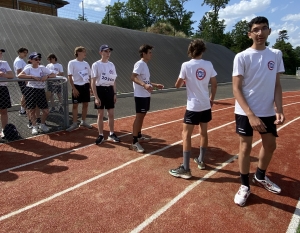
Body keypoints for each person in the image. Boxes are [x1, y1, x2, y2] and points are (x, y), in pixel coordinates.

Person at [232, 16, 285, 207]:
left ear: (269, 31)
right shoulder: (242, 57)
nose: (260, 32)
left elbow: (277, 85)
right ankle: (245, 186)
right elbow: (236, 88)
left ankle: (260, 176)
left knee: (270, 146)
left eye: (263, 28)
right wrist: (250, 114)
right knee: (245, 148)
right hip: (246, 111)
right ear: (249, 34)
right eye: (256, 29)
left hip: (267, 110)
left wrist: (279, 108)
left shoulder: (276, 54)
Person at [168, 39, 217, 179]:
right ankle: (201, 160)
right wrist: (212, 98)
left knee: (186, 135)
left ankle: (186, 168)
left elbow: (177, 85)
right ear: (203, 50)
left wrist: (184, 81)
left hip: (193, 106)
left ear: (190, 50)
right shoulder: (208, 64)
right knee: (204, 132)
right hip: (205, 105)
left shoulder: (186, 65)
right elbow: (214, 84)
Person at [130, 44, 164, 153]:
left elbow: (146, 81)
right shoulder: (140, 64)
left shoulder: (145, 65)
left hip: (146, 95)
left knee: (142, 115)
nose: (151, 54)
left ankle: (139, 136)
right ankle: (134, 142)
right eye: (149, 52)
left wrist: (155, 85)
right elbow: (133, 77)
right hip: (140, 95)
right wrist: (144, 85)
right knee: (139, 116)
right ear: (143, 53)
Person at [18, 52, 56, 135]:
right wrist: (32, 76)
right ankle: (34, 126)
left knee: (46, 111)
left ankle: (42, 124)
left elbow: (53, 74)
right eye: (36, 59)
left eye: (39, 59)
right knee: (32, 110)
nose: (38, 60)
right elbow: (20, 75)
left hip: (41, 90)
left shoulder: (42, 68)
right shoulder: (29, 68)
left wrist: (47, 76)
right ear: (31, 60)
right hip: (31, 89)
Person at [91, 45, 120, 145]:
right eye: (106, 51)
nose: (108, 53)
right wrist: (96, 97)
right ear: (100, 52)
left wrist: (115, 93)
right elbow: (93, 82)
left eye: (109, 51)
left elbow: (114, 80)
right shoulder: (96, 65)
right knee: (100, 114)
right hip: (100, 90)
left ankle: (111, 134)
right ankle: (101, 135)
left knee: (111, 113)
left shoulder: (111, 65)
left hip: (110, 90)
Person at [66, 46, 92, 131]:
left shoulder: (86, 63)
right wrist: (74, 88)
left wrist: (90, 87)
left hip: (85, 86)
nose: (85, 53)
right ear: (78, 53)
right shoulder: (72, 63)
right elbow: (69, 76)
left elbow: (89, 76)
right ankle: (74, 123)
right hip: (76, 86)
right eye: (84, 51)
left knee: (86, 104)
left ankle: (83, 121)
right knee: (75, 105)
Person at [0, 48, 14, 139]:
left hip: (3, 88)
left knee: (4, 111)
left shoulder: (4, 63)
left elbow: (11, 75)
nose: (0, 54)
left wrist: (3, 74)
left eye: (1, 53)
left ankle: (4, 130)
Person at [13, 47, 28, 116]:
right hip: (22, 80)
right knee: (25, 95)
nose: (25, 54)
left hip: (23, 80)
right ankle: (22, 110)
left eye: (26, 52)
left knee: (25, 95)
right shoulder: (19, 61)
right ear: (19, 53)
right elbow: (19, 73)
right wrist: (26, 80)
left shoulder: (21, 60)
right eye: (24, 52)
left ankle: (23, 109)